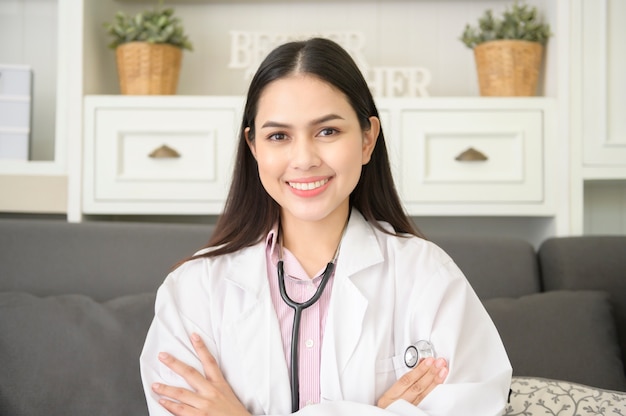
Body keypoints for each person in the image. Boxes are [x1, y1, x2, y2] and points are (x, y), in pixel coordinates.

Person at [140, 37, 512, 416]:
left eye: (327, 131)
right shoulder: (194, 290)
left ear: (367, 139)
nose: (303, 159)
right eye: (278, 136)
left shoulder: (426, 275)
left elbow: (476, 404)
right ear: (254, 148)